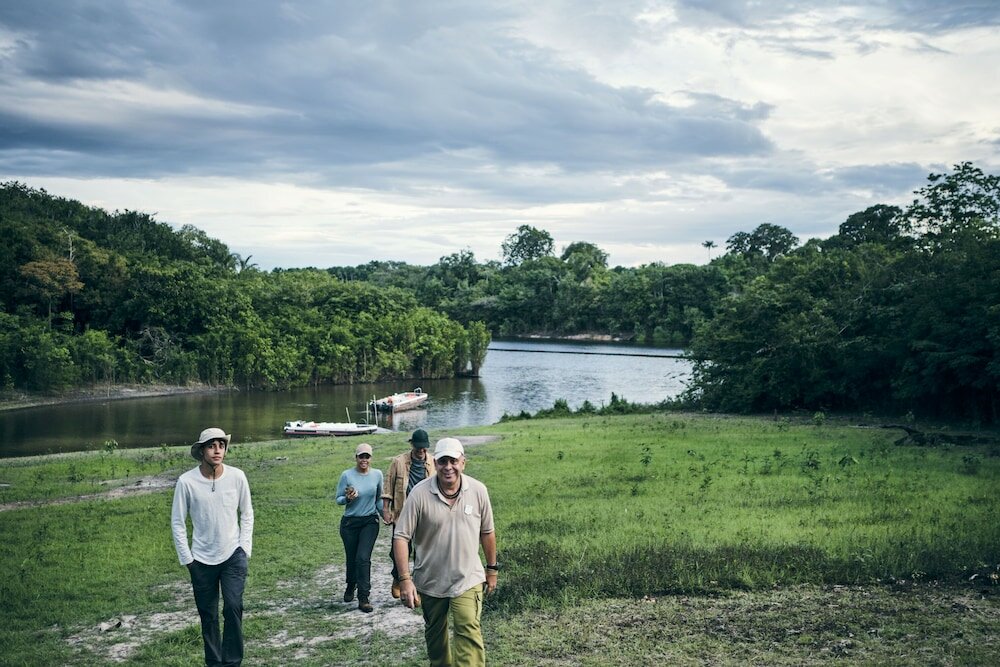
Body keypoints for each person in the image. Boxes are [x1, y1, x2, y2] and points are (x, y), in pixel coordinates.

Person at [393, 438, 498, 667]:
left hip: (467, 578)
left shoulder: (478, 490)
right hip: (430, 580)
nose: (448, 467)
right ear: (435, 462)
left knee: (468, 629)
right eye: (442, 461)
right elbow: (401, 537)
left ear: (463, 463)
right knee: (435, 638)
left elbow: (487, 532)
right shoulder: (420, 494)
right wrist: (405, 580)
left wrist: (492, 569)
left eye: (453, 461)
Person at [171, 427, 254, 667]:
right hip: (200, 560)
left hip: (232, 556)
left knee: (233, 606)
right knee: (208, 616)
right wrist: (188, 559)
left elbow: (247, 513)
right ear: (202, 451)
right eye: (211, 445)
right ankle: (215, 663)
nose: (217, 450)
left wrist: (244, 548)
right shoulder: (186, 482)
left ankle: (233, 662)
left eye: (221, 445)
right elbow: (177, 522)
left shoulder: (237, 477)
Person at [381, 428, 436, 598]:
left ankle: (418, 587)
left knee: (422, 552)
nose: (421, 452)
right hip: (403, 513)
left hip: (425, 514)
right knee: (398, 549)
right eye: (418, 448)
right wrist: (386, 509)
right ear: (412, 445)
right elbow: (388, 487)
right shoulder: (398, 462)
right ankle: (398, 578)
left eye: (424, 449)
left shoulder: (434, 462)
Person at [336, 442, 384, 613]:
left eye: (367, 456)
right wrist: (348, 498)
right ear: (356, 457)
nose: (364, 459)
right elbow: (338, 499)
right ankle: (351, 585)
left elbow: (378, 498)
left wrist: (385, 514)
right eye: (361, 456)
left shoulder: (377, 475)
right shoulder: (347, 475)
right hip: (350, 523)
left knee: (363, 558)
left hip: (369, 521)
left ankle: (363, 597)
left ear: (371, 458)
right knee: (352, 558)